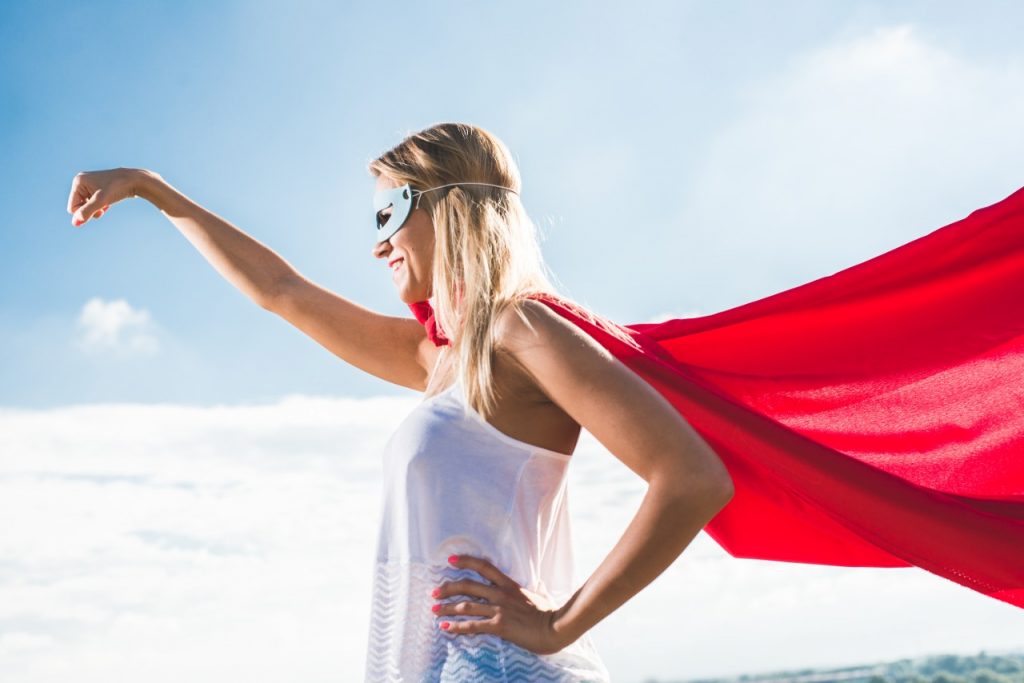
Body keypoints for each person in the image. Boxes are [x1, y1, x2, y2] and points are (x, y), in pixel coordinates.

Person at [66, 122, 736, 681]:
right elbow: (281, 291)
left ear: (448, 208)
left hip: (497, 666)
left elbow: (691, 477)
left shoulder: (519, 331)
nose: (378, 241)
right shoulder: (440, 359)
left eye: (390, 212)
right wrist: (150, 189)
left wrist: (559, 623)